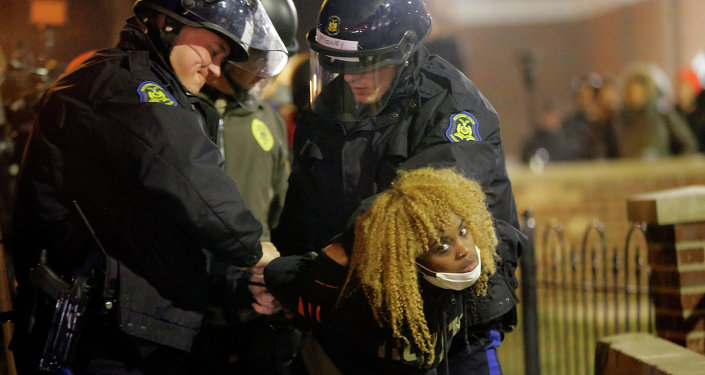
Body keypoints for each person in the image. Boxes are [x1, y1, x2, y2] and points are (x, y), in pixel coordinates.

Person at [7, 1, 284, 374]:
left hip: (127, 327)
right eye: (213, 51)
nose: (216, 68)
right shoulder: (125, 85)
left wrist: (237, 280)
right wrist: (255, 250)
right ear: (168, 25)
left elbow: (160, 225)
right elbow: (187, 174)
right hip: (96, 337)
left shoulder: (150, 90)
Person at [272, 0, 526, 374]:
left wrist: (328, 261)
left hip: (454, 320)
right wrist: (286, 273)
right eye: (338, 63)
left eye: (367, 62)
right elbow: (306, 203)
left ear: (403, 54)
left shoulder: (452, 104)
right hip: (361, 315)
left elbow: (420, 203)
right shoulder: (328, 109)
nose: (351, 76)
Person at [266, 167, 499, 375]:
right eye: (442, 247)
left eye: (464, 231)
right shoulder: (368, 293)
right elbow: (279, 273)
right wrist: (327, 269)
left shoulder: (462, 281)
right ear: (409, 259)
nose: (464, 250)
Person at [192, 0, 299, 373]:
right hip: (193, 307)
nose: (266, 75)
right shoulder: (184, 113)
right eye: (260, 60)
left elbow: (282, 206)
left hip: (254, 300)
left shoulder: (266, 119)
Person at [613, 63, 698, 158]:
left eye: (638, 92)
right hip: (629, 170)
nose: (635, 96)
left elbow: (688, 143)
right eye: (632, 92)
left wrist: (677, 167)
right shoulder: (622, 119)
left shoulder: (662, 114)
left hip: (660, 170)